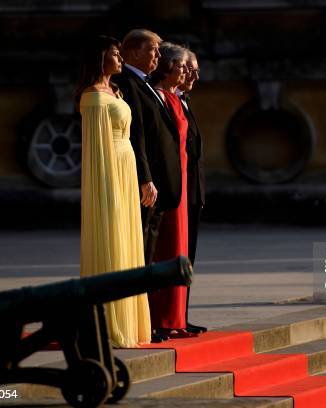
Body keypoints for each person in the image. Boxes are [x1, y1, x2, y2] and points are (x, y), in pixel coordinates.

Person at [76, 35, 151, 347]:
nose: (120, 59)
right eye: (115, 54)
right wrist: (106, 190)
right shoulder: (93, 96)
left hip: (125, 169)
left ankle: (129, 320)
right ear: (101, 58)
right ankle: (110, 322)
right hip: (109, 175)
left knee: (128, 240)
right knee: (112, 238)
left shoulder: (115, 91)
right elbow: (96, 152)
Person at [115, 29, 183, 342]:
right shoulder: (128, 83)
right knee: (142, 252)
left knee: (150, 252)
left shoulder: (146, 84)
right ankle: (145, 323)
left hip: (160, 185)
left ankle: (148, 321)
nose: (158, 56)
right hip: (147, 184)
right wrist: (145, 178)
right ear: (133, 53)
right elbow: (137, 137)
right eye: (153, 50)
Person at [148, 42, 196, 338]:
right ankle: (163, 317)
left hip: (182, 182)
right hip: (168, 184)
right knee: (166, 250)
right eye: (182, 67)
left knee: (179, 250)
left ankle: (175, 317)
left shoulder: (176, 100)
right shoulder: (162, 99)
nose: (187, 73)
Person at [178, 48, 207, 334]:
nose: (194, 75)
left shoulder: (184, 100)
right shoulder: (170, 99)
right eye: (189, 68)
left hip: (193, 191)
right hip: (178, 191)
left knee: (189, 257)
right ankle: (173, 317)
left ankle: (180, 316)